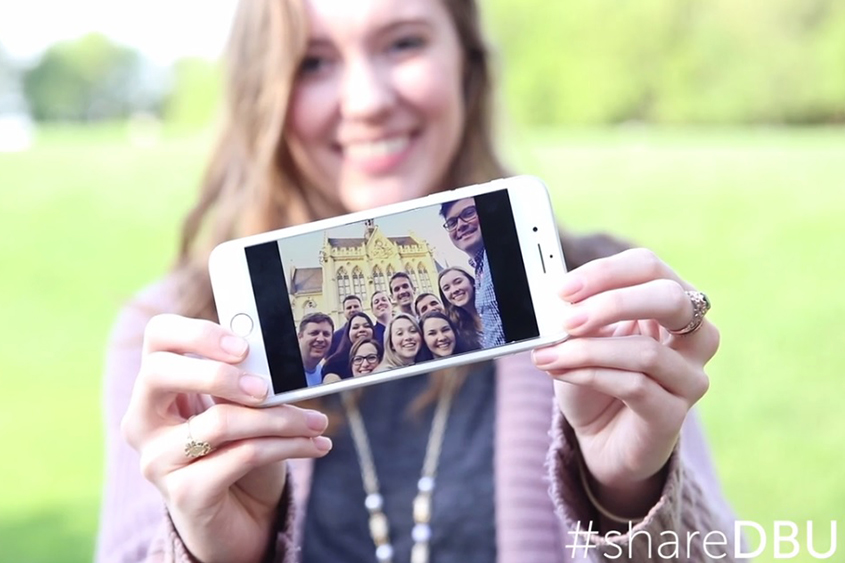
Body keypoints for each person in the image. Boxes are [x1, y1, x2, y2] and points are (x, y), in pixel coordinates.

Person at [98, 0, 734, 561]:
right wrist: (213, 553)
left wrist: (627, 497)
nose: (368, 100)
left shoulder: (595, 299)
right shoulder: (177, 342)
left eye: (403, 42)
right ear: (260, 90)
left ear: (467, 62)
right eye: (313, 61)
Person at [441, 198, 504, 347]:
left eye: (469, 213)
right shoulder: (480, 268)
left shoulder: (499, 253)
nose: (460, 225)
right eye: (452, 223)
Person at [438, 266, 482, 350]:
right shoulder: (455, 328)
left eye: (458, 282)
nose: (454, 290)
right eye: (446, 288)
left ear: (472, 282)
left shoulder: (492, 308)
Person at [321, 312, 375, 380]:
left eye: (366, 326)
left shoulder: (383, 356)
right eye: (355, 327)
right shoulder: (333, 364)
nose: (361, 329)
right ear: (348, 333)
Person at [297, 312, 334, 387]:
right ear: (300, 336)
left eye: (326, 334)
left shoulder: (324, 373)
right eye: (314, 333)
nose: (320, 339)